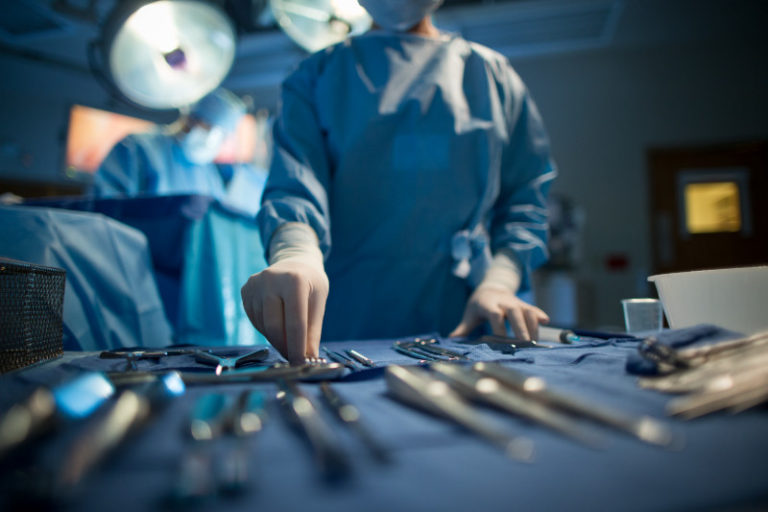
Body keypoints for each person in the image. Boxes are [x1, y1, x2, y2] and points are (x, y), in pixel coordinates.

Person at [241, 0, 557, 363]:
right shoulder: (317, 76)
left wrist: (500, 280)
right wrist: (296, 254)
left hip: (467, 320)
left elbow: (525, 198)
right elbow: (295, 184)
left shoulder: (491, 77)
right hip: (349, 326)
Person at [92, 88, 263, 210]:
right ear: (190, 118)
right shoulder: (137, 149)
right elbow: (105, 208)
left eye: (221, 135)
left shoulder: (209, 175)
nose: (211, 139)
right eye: (207, 127)